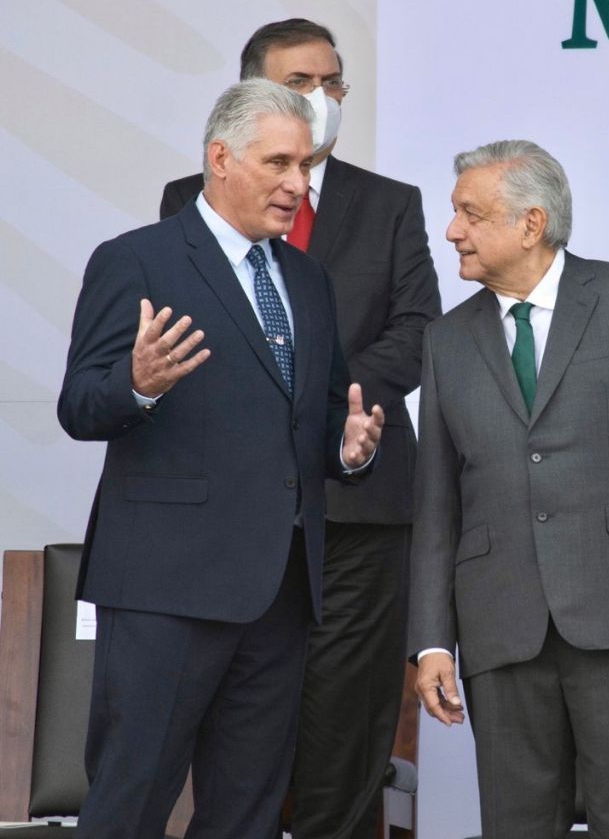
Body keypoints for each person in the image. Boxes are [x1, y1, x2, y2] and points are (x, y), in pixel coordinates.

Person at [58, 78, 383, 839]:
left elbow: (325, 406)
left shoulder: (307, 279)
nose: (298, 185)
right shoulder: (137, 260)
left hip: (280, 594)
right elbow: (79, 406)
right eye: (279, 163)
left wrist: (346, 444)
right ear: (220, 159)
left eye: (304, 166)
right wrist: (135, 386)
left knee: (248, 812)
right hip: (167, 591)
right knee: (130, 802)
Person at [160, 19, 441, 839]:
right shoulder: (191, 200)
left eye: (333, 83)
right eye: (299, 82)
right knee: (239, 735)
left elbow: (418, 328)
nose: (321, 99)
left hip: (362, 510)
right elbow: (195, 331)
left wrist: (323, 401)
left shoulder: (390, 203)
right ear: (252, 94)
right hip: (245, 516)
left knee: (347, 732)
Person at [408, 139, 609, 839]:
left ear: (531, 223)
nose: (452, 230)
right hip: (500, 631)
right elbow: (436, 504)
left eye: (470, 213)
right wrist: (431, 641)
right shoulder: (445, 341)